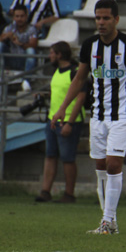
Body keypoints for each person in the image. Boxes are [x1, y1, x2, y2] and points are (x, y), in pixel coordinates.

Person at [51, 0, 126, 234]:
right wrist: (62, 108)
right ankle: (108, 220)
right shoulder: (90, 45)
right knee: (101, 165)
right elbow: (79, 79)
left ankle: (108, 221)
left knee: (113, 164)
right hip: (98, 116)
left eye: (106, 18)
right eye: (98, 18)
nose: (101, 22)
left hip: (124, 115)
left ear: (116, 19)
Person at [35, 41, 88, 204]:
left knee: (67, 158)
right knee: (50, 155)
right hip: (53, 119)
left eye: (52, 53)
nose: (50, 56)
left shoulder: (75, 72)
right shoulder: (57, 72)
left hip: (69, 120)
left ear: (59, 54)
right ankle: (45, 191)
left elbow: (81, 97)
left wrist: (70, 123)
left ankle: (69, 194)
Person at [0, 5, 38, 74]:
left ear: (26, 16)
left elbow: (33, 45)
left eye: (22, 16)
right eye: (17, 16)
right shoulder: (10, 27)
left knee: (30, 50)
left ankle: (26, 80)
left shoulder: (32, 29)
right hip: (11, 58)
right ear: (13, 17)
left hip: (24, 60)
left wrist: (20, 44)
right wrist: (5, 36)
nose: (19, 19)